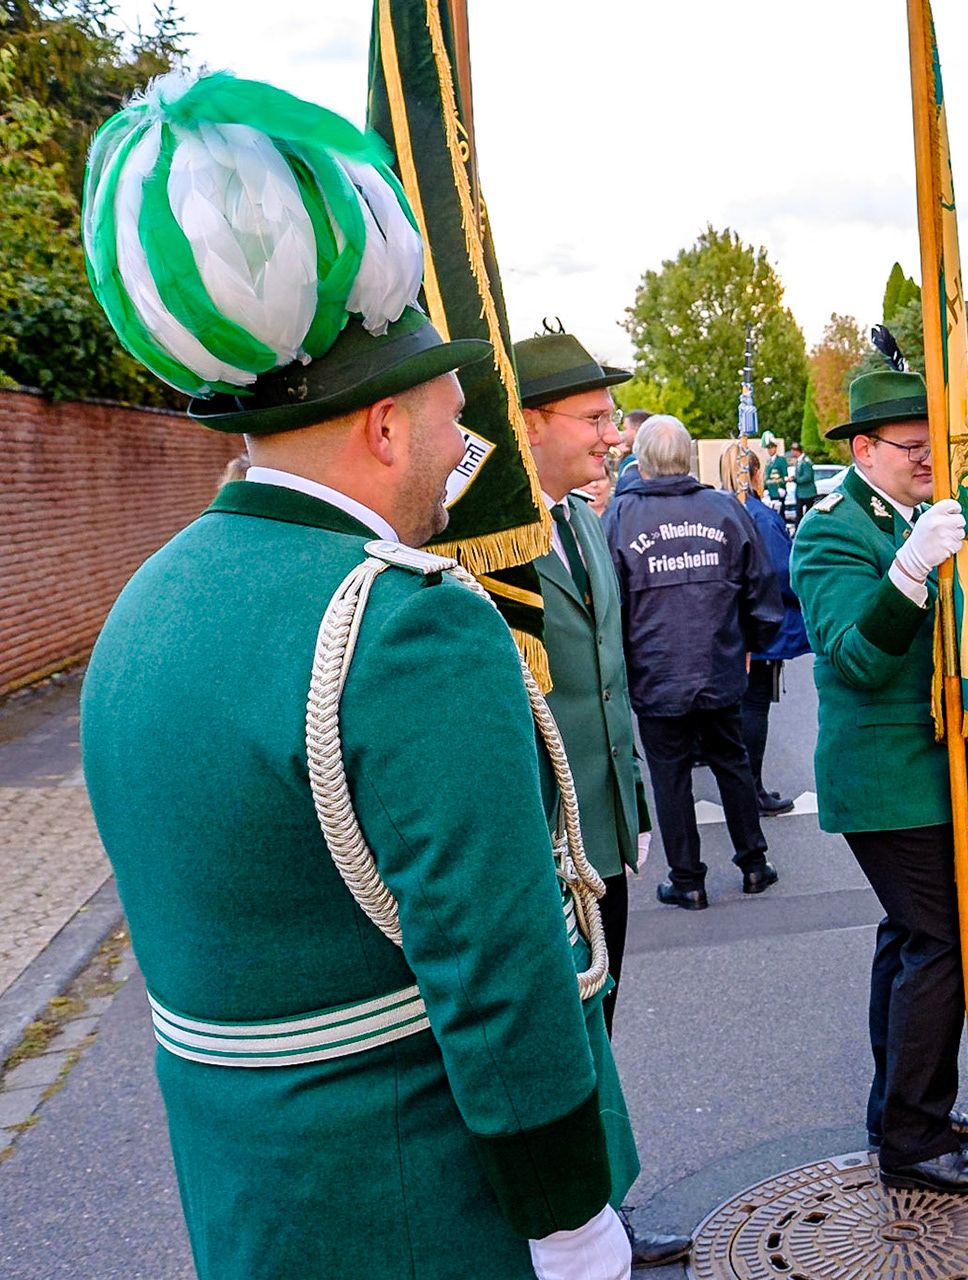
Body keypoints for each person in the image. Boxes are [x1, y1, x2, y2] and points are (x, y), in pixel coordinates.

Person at [77, 71, 634, 1280]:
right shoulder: (403, 627)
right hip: (424, 1208)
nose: (459, 442)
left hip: (259, 1208)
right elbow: (497, 970)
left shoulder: (144, 605)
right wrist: (571, 1214)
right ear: (383, 425)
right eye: (449, 407)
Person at [789, 369, 968, 1195]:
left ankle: (899, 1109)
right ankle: (914, 1141)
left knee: (908, 935)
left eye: (934, 445)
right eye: (912, 448)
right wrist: (909, 572)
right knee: (943, 942)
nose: (928, 461)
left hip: (929, 770)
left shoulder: (908, 514)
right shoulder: (832, 531)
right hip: (884, 778)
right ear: (863, 449)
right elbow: (852, 654)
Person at [516, 330, 690, 1270]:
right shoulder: (484, 541)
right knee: (560, 1034)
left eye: (613, 419)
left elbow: (607, 673)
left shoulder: (588, 521)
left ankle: (600, 1216)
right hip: (541, 830)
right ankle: (563, 1231)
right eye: (593, 418)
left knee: (603, 1015)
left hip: (605, 822)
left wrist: (633, 801)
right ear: (529, 422)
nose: (614, 436)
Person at [604, 415, 785, 910]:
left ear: (641, 462)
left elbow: (607, 603)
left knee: (671, 776)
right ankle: (754, 863)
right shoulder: (724, 509)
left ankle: (688, 879)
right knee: (732, 763)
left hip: (656, 672)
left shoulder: (619, 518)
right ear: (688, 459)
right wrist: (753, 641)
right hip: (719, 666)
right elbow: (761, 585)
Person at [736, 450, 811, 815]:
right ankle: (752, 790)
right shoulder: (760, 517)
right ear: (752, 474)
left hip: (732, 628)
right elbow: (783, 573)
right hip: (761, 629)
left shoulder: (723, 509)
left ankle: (746, 788)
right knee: (754, 708)